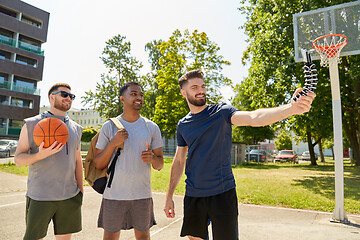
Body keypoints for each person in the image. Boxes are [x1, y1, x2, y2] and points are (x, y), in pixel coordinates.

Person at [163, 70, 316, 240]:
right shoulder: (183, 125)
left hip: (222, 193)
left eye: (203, 86)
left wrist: (291, 108)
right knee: (194, 238)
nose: (201, 90)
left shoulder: (221, 112)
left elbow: (253, 117)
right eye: (194, 87)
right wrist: (169, 197)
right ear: (183, 92)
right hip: (193, 193)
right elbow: (178, 161)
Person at [94, 82, 164, 240]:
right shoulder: (109, 127)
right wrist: (113, 143)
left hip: (142, 195)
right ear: (122, 99)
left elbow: (160, 165)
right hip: (114, 195)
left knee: (143, 237)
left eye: (141, 95)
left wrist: (153, 158)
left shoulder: (152, 127)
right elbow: (98, 164)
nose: (139, 97)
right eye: (133, 94)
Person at [14, 83, 84, 240]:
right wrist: (40, 155)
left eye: (71, 96)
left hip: (69, 196)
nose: (69, 99)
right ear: (52, 97)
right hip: (40, 196)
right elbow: (18, 159)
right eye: (64, 95)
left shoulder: (76, 128)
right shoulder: (32, 124)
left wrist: (80, 190)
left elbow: (78, 161)